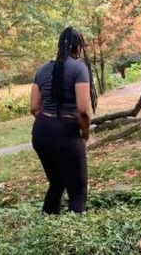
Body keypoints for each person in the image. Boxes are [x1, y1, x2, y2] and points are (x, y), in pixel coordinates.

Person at [29, 26, 97, 214]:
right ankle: (74, 237)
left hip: (41, 132)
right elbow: (83, 110)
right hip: (66, 134)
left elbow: (34, 107)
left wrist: (49, 123)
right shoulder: (79, 68)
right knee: (78, 191)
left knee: (56, 184)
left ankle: (47, 227)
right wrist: (85, 132)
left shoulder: (41, 69)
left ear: (59, 45)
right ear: (78, 48)